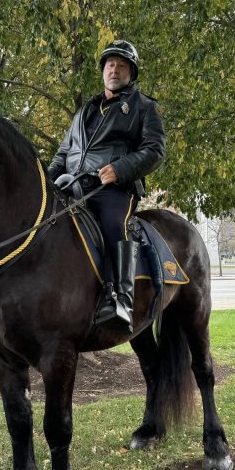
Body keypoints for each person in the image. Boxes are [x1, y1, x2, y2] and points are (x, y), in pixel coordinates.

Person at [49, 40, 166, 332]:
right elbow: (64, 153)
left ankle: (120, 299)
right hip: (72, 185)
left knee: (114, 223)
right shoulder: (85, 110)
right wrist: (47, 181)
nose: (115, 70)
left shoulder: (144, 107)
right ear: (103, 70)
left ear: (131, 73)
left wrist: (120, 169)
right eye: (110, 64)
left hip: (111, 189)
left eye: (122, 65)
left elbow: (155, 150)